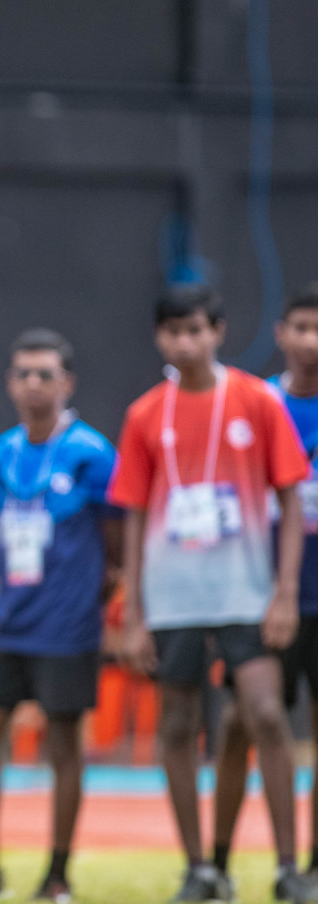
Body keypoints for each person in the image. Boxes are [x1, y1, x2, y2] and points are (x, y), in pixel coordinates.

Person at [111, 284, 314, 903]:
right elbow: (135, 516)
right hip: (173, 599)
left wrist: (282, 595)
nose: (185, 342)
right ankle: (200, 869)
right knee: (177, 725)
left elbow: (288, 500)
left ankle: (286, 869)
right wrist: (134, 613)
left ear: (218, 331)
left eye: (196, 330)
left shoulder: (256, 400)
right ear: (159, 338)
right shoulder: (147, 413)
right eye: (173, 332)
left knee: (268, 715)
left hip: (245, 594)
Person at [0, 329, 122, 901]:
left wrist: (109, 594)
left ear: (68, 382)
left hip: (67, 627)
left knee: (63, 746)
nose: (33, 384)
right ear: (10, 383)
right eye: (22, 374)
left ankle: (57, 875)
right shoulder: (1, 452)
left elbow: (117, 538)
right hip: (11, 623)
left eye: (45, 374)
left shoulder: (91, 452)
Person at [211, 283, 318, 891]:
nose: (310, 342)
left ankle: (308, 866)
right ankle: (217, 864)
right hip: (260, 597)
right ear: (280, 334)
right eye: (300, 327)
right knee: (242, 722)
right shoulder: (255, 405)